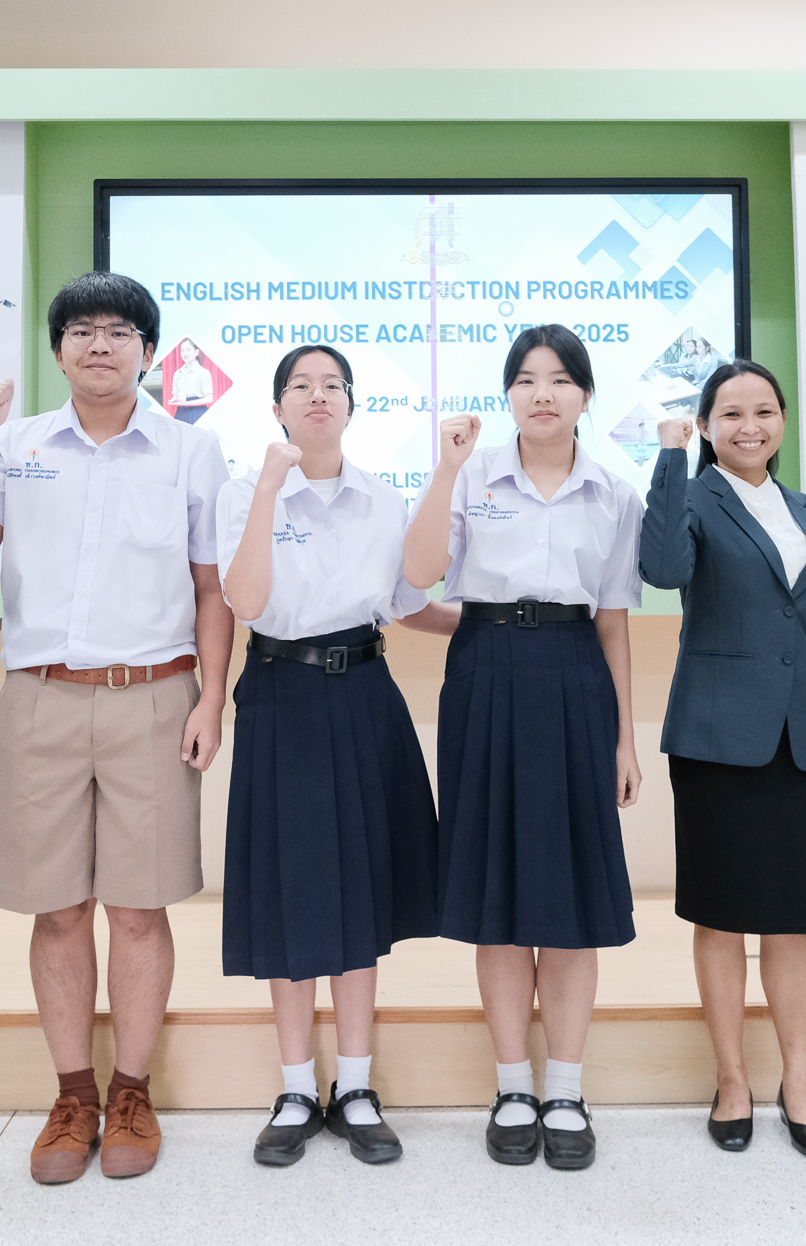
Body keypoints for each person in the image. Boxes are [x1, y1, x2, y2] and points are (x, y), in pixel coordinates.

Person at [0, 271, 231, 1185]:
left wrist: (212, 699)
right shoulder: (14, 443)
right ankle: (72, 1095)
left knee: (139, 908)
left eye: (120, 330)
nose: (101, 343)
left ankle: (132, 1089)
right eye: (82, 330)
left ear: (148, 350)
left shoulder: (191, 450)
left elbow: (212, 587)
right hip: (42, 698)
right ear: (58, 350)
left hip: (155, 695)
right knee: (58, 908)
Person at [403, 324, 642, 1172]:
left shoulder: (614, 491)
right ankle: (512, 1084)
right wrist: (445, 469)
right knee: (498, 886)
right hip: (486, 673)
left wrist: (625, 737)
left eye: (561, 378)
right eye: (527, 379)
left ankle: (566, 1088)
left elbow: (613, 621)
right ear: (508, 394)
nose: (543, 392)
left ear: (585, 395)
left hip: (575, 674)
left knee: (571, 889)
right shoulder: (470, 475)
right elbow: (417, 576)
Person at [217, 344, 458, 1167]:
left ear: (352, 405)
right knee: (290, 892)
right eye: (300, 385)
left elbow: (406, 602)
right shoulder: (242, 492)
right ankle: (294, 1088)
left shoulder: (382, 499)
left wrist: (495, 624)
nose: (317, 396)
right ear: (277, 407)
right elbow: (246, 599)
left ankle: (354, 1085)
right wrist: (267, 490)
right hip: (279, 694)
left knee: (360, 892)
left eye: (332, 385)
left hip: (362, 694)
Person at [640, 359, 806, 1159]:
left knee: (793, 919)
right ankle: (731, 1080)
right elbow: (662, 570)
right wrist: (668, 457)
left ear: (782, 420)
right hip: (718, 734)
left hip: (802, 732)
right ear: (706, 425)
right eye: (730, 413)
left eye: (763, 411)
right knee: (721, 915)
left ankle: (800, 1083)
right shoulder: (692, 497)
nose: (749, 425)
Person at [168, 337, 218, 424]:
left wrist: (187, 403)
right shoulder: (177, 373)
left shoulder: (204, 373)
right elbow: (175, 395)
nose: (185, 353)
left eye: (188, 350)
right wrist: (173, 400)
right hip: (181, 412)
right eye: (182, 350)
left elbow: (209, 399)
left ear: (196, 352)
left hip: (198, 412)